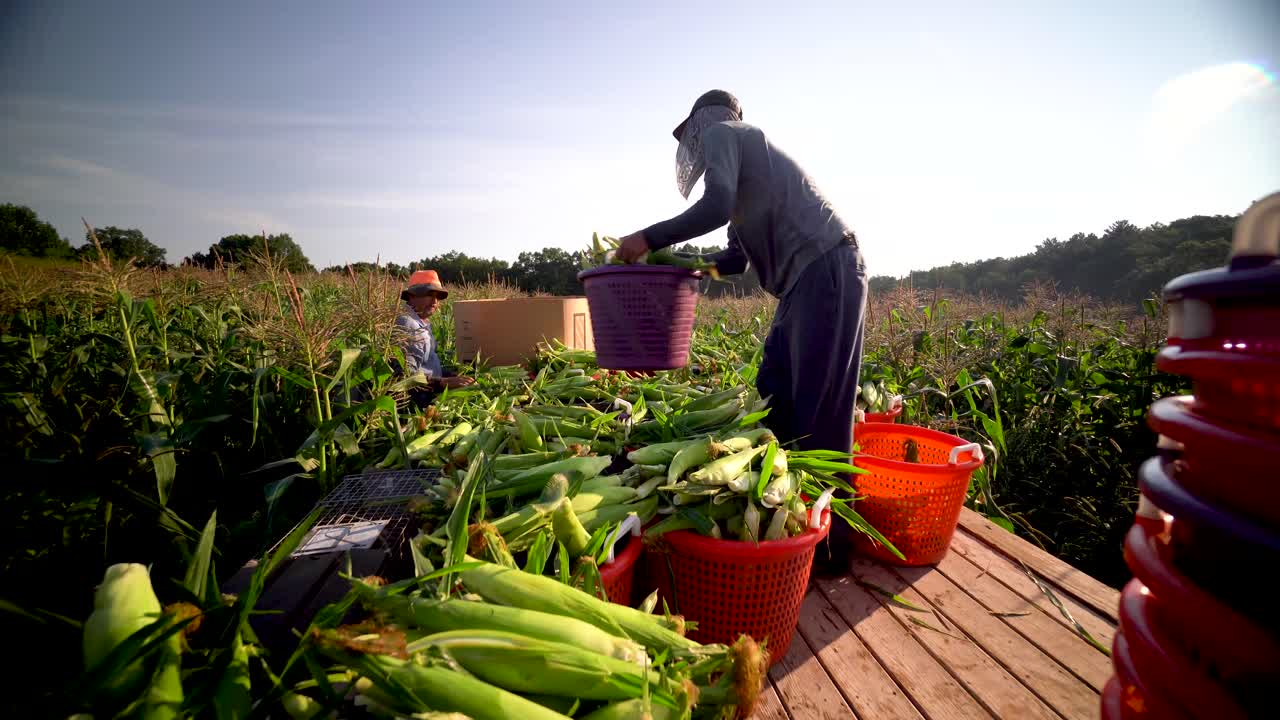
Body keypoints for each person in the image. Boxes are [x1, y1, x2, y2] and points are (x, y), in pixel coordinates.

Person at [613, 89, 868, 573]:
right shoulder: (744, 169)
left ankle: (835, 548)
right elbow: (732, 261)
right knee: (775, 393)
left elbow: (714, 206)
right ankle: (793, 526)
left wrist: (650, 237)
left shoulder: (727, 132)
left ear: (702, 122)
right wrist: (682, 267)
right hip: (800, 283)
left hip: (827, 265)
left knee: (821, 412)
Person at [396, 270, 474, 406]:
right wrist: (443, 382)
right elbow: (405, 378)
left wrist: (450, 374)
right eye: (429, 295)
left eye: (438, 296)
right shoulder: (408, 325)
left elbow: (427, 365)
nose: (435, 301)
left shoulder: (421, 321)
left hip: (430, 393)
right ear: (412, 296)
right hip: (417, 404)